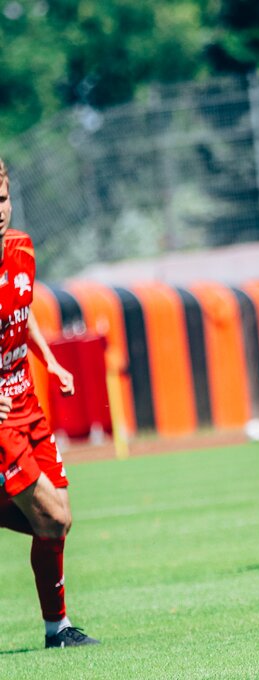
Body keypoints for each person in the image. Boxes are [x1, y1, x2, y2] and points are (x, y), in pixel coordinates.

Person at [0, 157, 100, 648]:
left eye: (1, 198)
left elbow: (23, 312)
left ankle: (56, 629)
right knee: (52, 519)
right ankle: (57, 629)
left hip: (29, 403)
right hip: (1, 420)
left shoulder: (21, 247)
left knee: (60, 521)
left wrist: (51, 361)